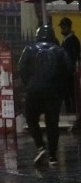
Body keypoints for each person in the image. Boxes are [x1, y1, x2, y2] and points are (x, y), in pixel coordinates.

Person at [18, 25, 74, 167]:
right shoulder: (59, 50)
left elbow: (21, 68)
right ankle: (53, 156)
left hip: (34, 90)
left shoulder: (29, 49)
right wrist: (61, 85)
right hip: (53, 91)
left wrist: (28, 83)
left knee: (31, 118)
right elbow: (69, 68)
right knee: (52, 123)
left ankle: (40, 146)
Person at [58, 17, 80, 114]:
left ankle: (73, 113)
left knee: (71, 95)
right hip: (65, 74)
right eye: (61, 26)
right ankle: (70, 112)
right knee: (67, 96)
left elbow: (73, 57)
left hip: (70, 74)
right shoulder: (66, 40)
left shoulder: (72, 40)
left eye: (64, 26)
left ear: (69, 27)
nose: (62, 28)